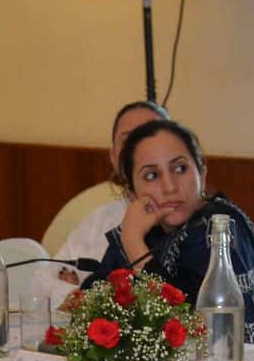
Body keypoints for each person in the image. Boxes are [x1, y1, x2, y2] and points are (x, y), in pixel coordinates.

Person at [95, 116, 254, 351]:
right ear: (131, 193)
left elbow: (188, 326)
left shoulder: (219, 227)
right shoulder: (150, 234)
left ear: (202, 173)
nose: (170, 187)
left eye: (180, 169)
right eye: (152, 175)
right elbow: (93, 300)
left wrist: (134, 244)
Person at [52, 97, 169, 292]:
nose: (138, 149)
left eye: (149, 135)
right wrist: (80, 294)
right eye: (128, 140)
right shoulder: (99, 220)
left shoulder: (187, 223)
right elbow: (48, 277)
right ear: (113, 157)